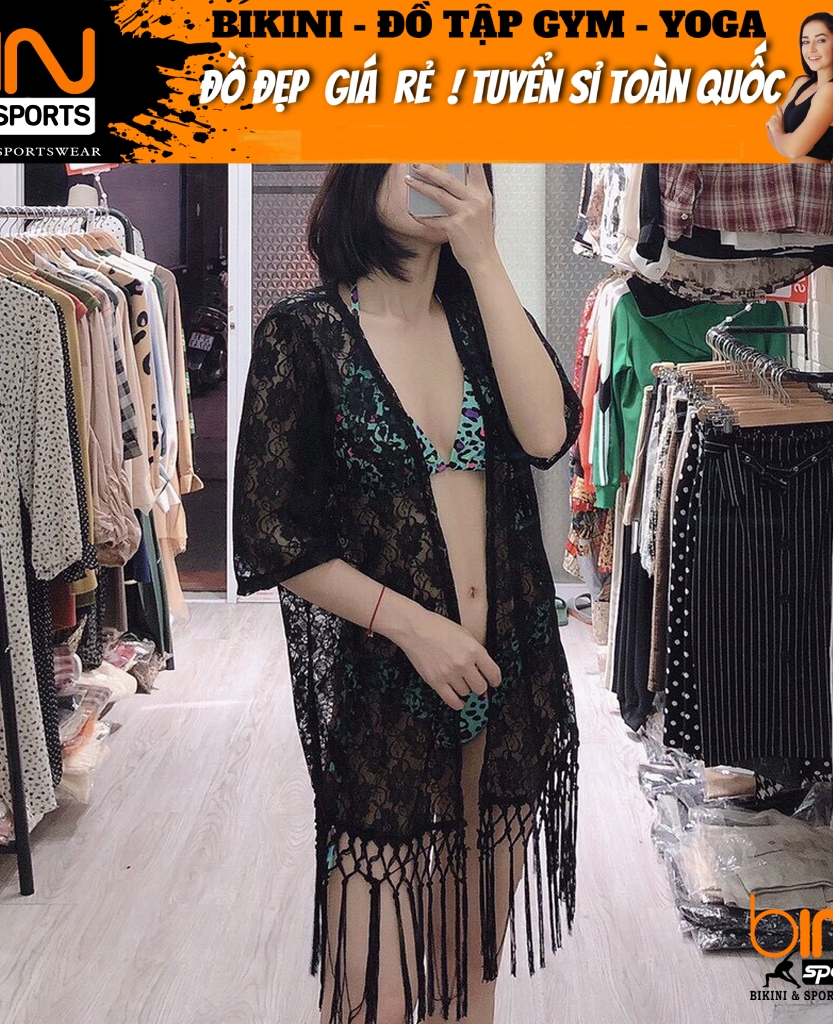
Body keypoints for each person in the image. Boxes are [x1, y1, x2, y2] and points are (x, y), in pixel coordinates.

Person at [233, 164, 581, 1024]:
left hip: (509, 679)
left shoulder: (483, 318)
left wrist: (486, 259)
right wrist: (414, 627)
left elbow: (548, 435)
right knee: (375, 994)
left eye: (460, 152)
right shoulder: (304, 334)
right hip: (386, 687)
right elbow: (272, 534)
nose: (440, 165)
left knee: (469, 979)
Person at [766, 14, 833, 163]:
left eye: (820, 40)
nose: (811, 49)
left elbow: (792, 149)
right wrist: (784, 140)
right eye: (805, 42)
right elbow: (770, 130)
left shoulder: (832, 91)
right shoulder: (802, 83)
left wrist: (778, 132)